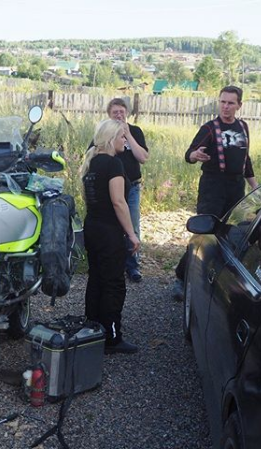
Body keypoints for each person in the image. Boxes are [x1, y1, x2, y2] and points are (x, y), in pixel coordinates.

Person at [172, 86, 258, 300]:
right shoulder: (209, 128)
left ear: (239, 105)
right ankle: (181, 277)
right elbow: (188, 154)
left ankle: (218, 281)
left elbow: (246, 160)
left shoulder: (243, 127)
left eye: (230, 103)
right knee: (204, 234)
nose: (225, 107)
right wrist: (195, 155)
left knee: (232, 235)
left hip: (236, 187)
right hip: (212, 187)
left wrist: (255, 188)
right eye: (223, 102)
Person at [81, 119, 141, 354]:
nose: (125, 140)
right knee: (114, 283)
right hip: (109, 231)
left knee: (96, 278)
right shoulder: (113, 164)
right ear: (111, 138)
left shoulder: (91, 162)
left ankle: (92, 331)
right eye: (122, 136)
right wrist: (132, 234)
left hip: (92, 226)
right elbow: (118, 202)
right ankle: (112, 338)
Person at [89, 98, 149, 283]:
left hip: (132, 186)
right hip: (108, 186)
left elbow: (143, 157)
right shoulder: (104, 132)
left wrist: (128, 135)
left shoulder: (135, 132)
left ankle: (132, 266)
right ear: (109, 114)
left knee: (132, 224)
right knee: (111, 225)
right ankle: (114, 264)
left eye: (122, 112)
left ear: (127, 113)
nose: (119, 115)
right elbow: (91, 155)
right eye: (115, 112)